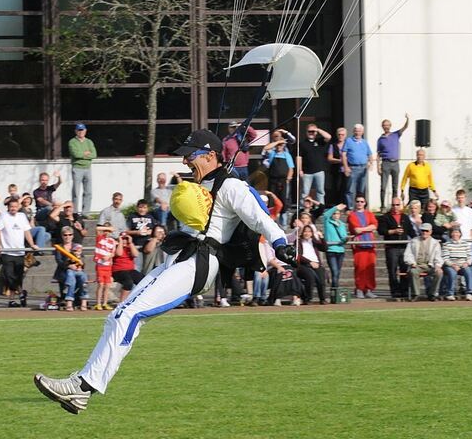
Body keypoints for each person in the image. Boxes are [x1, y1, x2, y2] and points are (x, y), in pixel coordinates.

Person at [34, 128, 294, 414]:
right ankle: (82, 384)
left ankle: (83, 387)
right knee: (118, 315)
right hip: (180, 258)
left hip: (199, 262)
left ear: (210, 155)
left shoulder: (231, 186)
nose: (184, 163)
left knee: (130, 314)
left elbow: (259, 215)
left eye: (189, 156)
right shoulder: (204, 183)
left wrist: (281, 243)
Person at [0, 197, 39, 308]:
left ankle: (13, 300)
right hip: (7, 252)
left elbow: (26, 231)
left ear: (18, 207)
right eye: (11, 207)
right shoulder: (4, 216)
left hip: (20, 252)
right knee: (9, 276)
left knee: (18, 277)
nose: (13, 208)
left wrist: (32, 244)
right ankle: (21, 294)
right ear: (8, 207)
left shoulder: (22, 216)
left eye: (15, 206)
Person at [377, 197, 415, 301]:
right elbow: (381, 230)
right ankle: (395, 291)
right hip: (391, 247)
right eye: (393, 205)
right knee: (392, 270)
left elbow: (411, 231)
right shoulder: (385, 217)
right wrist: (393, 231)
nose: (395, 207)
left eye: (397, 205)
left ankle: (404, 290)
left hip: (404, 247)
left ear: (401, 205)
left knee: (404, 269)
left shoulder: (405, 217)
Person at [347, 195, 378, 298]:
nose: (360, 203)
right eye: (358, 201)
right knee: (360, 267)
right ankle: (359, 288)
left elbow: (375, 225)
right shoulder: (352, 215)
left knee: (370, 268)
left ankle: (369, 289)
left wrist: (363, 229)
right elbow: (356, 229)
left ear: (365, 203)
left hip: (370, 244)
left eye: (362, 201)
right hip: (359, 245)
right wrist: (368, 228)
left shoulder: (369, 214)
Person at [376, 114, 409, 209]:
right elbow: (378, 154)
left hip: (395, 163)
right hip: (385, 163)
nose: (386, 126)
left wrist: (408, 119)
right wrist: (378, 167)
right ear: (382, 127)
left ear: (390, 126)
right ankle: (382, 206)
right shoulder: (380, 139)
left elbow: (405, 127)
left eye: (388, 125)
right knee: (383, 187)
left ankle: (395, 206)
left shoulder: (396, 134)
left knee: (395, 187)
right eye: (384, 125)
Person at [404, 222, 443, 301]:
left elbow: (438, 256)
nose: (424, 232)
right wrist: (412, 263)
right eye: (423, 230)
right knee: (413, 272)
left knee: (439, 272)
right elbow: (408, 254)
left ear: (430, 232)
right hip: (417, 265)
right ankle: (416, 294)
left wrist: (438, 266)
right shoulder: (413, 241)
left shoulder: (435, 243)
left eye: (427, 231)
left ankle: (432, 294)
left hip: (430, 265)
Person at [341, 124, 374, 209]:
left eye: (359, 131)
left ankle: (361, 207)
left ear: (362, 132)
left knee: (361, 190)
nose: (357, 132)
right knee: (350, 190)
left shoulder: (364, 142)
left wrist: (371, 163)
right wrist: (346, 167)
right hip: (352, 168)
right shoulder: (348, 141)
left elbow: (370, 154)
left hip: (363, 168)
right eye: (356, 130)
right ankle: (350, 208)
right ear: (353, 131)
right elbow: (343, 154)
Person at [54, 231, 89, 312]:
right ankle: (69, 301)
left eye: (70, 234)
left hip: (78, 270)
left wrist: (80, 265)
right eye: (65, 235)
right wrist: (69, 265)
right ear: (62, 236)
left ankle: (84, 300)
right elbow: (59, 261)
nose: (67, 236)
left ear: (73, 235)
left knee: (83, 278)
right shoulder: (59, 247)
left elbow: (83, 262)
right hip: (64, 271)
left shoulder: (77, 246)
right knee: (70, 275)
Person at [298, 123, 331, 205]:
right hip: (306, 172)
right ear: (306, 132)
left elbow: (328, 137)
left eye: (313, 131)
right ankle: (303, 209)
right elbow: (299, 157)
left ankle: (320, 208)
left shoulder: (320, 141)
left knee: (320, 191)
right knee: (305, 192)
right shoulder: (302, 144)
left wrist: (318, 130)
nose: (311, 133)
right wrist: (300, 170)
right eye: (309, 131)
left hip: (319, 171)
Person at [263, 138, 295, 223]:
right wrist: (277, 142)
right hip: (273, 180)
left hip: (283, 181)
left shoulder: (287, 155)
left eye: (281, 145)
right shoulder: (272, 153)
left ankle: (283, 222)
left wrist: (288, 178)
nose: (279, 146)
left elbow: (291, 168)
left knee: (283, 200)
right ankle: (272, 219)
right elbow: (266, 148)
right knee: (272, 200)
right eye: (278, 145)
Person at [68, 123, 97, 215]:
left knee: (88, 192)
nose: (81, 132)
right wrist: (86, 154)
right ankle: (75, 212)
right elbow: (76, 154)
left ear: (85, 131)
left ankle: (85, 213)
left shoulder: (89, 142)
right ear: (76, 131)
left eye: (82, 130)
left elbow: (94, 154)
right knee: (76, 192)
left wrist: (82, 154)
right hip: (77, 168)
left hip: (88, 168)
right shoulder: (72, 142)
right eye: (79, 130)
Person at [441, 226, 472, 301]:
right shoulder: (446, 244)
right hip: (451, 265)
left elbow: (470, 256)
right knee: (452, 273)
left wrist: (467, 263)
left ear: (460, 234)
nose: (455, 234)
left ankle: (469, 293)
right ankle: (450, 293)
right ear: (451, 234)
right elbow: (445, 258)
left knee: (468, 271)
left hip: (463, 265)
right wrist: (453, 265)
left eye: (457, 232)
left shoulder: (465, 244)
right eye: (453, 232)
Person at [296, 224, 327, 304]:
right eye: (305, 231)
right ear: (302, 233)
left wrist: (322, 238)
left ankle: (322, 298)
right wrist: (309, 262)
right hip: (303, 265)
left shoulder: (314, 242)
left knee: (321, 278)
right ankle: (307, 298)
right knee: (310, 276)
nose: (307, 233)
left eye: (309, 232)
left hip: (316, 264)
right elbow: (298, 256)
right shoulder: (298, 242)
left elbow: (324, 248)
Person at [322, 203, 348, 293]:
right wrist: (336, 207)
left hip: (340, 250)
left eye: (337, 213)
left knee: (337, 272)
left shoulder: (342, 224)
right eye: (334, 213)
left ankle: (335, 291)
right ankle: (335, 291)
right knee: (334, 271)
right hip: (331, 250)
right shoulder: (327, 222)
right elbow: (325, 215)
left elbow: (344, 236)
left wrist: (346, 239)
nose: (336, 215)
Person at [111, 232, 143, 302]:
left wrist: (130, 243)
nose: (125, 240)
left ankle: (140, 300)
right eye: (123, 239)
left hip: (130, 270)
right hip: (118, 271)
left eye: (126, 239)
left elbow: (136, 254)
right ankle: (122, 302)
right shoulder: (116, 246)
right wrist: (120, 242)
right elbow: (119, 253)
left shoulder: (130, 247)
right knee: (128, 282)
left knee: (143, 280)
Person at [126, 200, 156, 269]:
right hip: (136, 245)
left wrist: (151, 232)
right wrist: (137, 232)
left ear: (147, 208)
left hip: (148, 245)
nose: (142, 210)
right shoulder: (132, 217)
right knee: (137, 267)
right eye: (140, 207)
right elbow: (126, 231)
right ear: (137, 208)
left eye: (144, 208)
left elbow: (155, 229)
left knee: (147, 267)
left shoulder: (150, 217)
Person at [93, 223, 117, 311]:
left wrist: (109, 256)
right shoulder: (100, 238)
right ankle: (98, 303)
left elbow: (113, 252)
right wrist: (107, 228)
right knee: (101, 284)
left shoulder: (112, 241)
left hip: (108, 266)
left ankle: (105, 303)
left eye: (108, 231)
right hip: (100, 265)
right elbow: (97, 228)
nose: (107, 232)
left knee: (107, 285)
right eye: (105, 230)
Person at [326, 127, 348, 206]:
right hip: (336, 170)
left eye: (342, 135)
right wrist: (340, 161)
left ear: (345, 135)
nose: (341, 136)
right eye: (339, 134)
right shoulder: (333, 145)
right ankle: (338, 205)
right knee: (337, 188)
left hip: (347, 170)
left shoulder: (349, 145)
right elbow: (329, 158)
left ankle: (346, 205)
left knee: (347, 188)